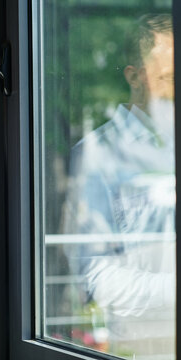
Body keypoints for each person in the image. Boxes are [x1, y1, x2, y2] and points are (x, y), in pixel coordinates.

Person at [62, 14, 174, 358]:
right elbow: (95, 277)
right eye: (169, 78)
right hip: (143, 349)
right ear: (134, 77)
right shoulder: (99, 155)